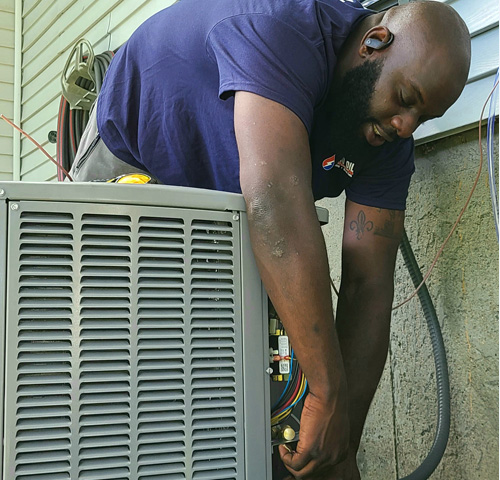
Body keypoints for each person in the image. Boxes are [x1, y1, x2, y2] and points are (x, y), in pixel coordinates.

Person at [69, 0, 471, 478]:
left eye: (424, 118)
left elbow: (368, 285)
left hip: (236, 197)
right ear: (374, 44)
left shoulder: (389, 140)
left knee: (228, 368)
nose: (407, 125)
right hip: (135, 154)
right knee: (117, 360)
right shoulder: (284, 27)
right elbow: (275, 204)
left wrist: (337, 447)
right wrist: (325, 390)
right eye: (406, 97)